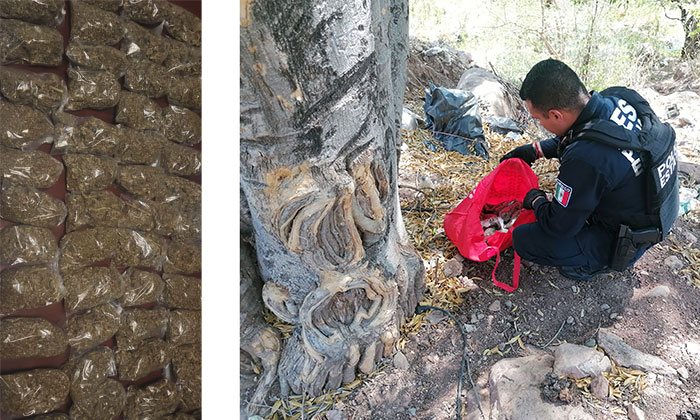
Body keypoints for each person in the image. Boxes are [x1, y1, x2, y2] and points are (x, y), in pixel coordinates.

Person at [500, 58, 678, 281]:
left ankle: (595, 264)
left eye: (537, 119)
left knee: (525, 239)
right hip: (655, 209)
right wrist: (534, 150)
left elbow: (558, 226)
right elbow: (588, 135)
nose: (539, 125)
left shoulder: (584, 158)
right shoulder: (616, 99)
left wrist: (535, 199)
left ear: (556, 115)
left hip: (627, 237)